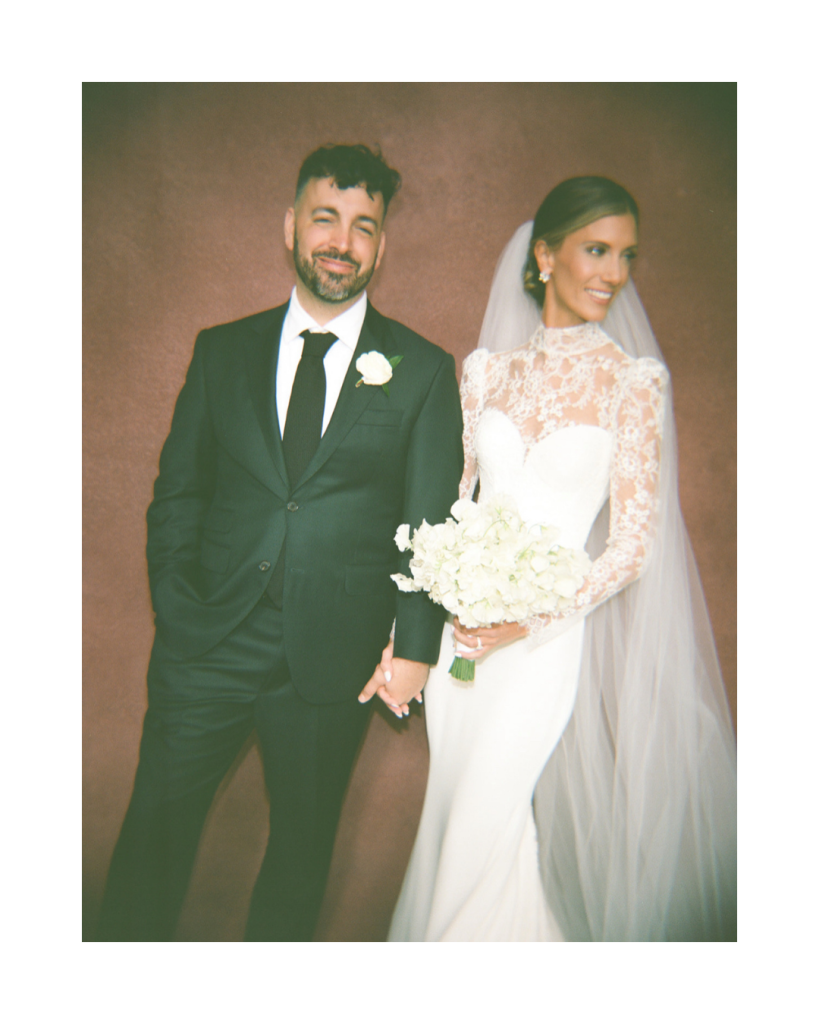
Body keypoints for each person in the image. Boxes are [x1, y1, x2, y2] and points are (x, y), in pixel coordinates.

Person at [95, 144, 464, 941]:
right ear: (290, 225)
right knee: (152, 840)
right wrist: (178, 604)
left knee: (299, 861)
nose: (342, 241)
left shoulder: (424, 371)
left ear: (381, 245)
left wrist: (416, 646)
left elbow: (431, 522)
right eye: (325, 218)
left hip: (334, 657)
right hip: (210, 639)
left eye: (363, 226)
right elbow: (178, 494)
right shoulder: (219, 350)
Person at [366, 176, 737, 941]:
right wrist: (419, 628)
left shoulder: (632, 385)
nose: (612, 272)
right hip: (461, 649)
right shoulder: (486, 373)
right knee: (461, 827)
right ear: (544, 256)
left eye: (625, 255)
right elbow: (450, 509)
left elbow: (632, 546)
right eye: (595, 250)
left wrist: (525, 619)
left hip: (539, 651)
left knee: (485, 823)